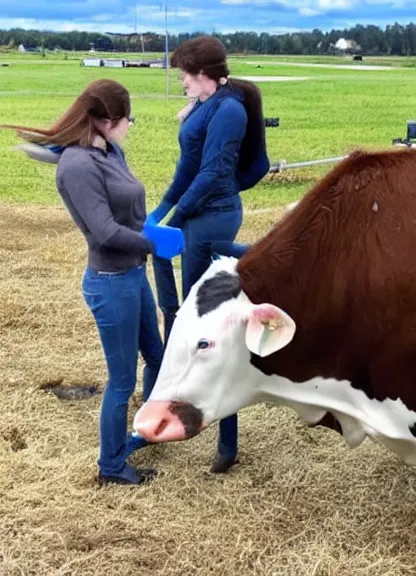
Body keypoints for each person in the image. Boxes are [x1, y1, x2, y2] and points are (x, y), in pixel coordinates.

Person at [1, 79, 182, 486]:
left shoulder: (109, 149)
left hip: (134, 274)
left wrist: (147, 227)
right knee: (121, 381)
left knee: (156, 355)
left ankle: (148, 428)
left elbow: (128, 205)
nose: (130, 125)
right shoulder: (78, 166)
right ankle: (111, 465)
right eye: (126, 119)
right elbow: (103, 231)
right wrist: (153, 242)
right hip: (110, 283)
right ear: (103, 121)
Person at [147, 35, 270, 474]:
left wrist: (176, 219)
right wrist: (161, 211)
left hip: (214, 217)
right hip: (197, 214)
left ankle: (227, 441)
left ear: (202, 74)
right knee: (181, 310)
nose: (180, 81)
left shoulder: (230, 111)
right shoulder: (205, 104)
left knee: (203, 325)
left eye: (183, 74)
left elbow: (215, 171)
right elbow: (187, 167)